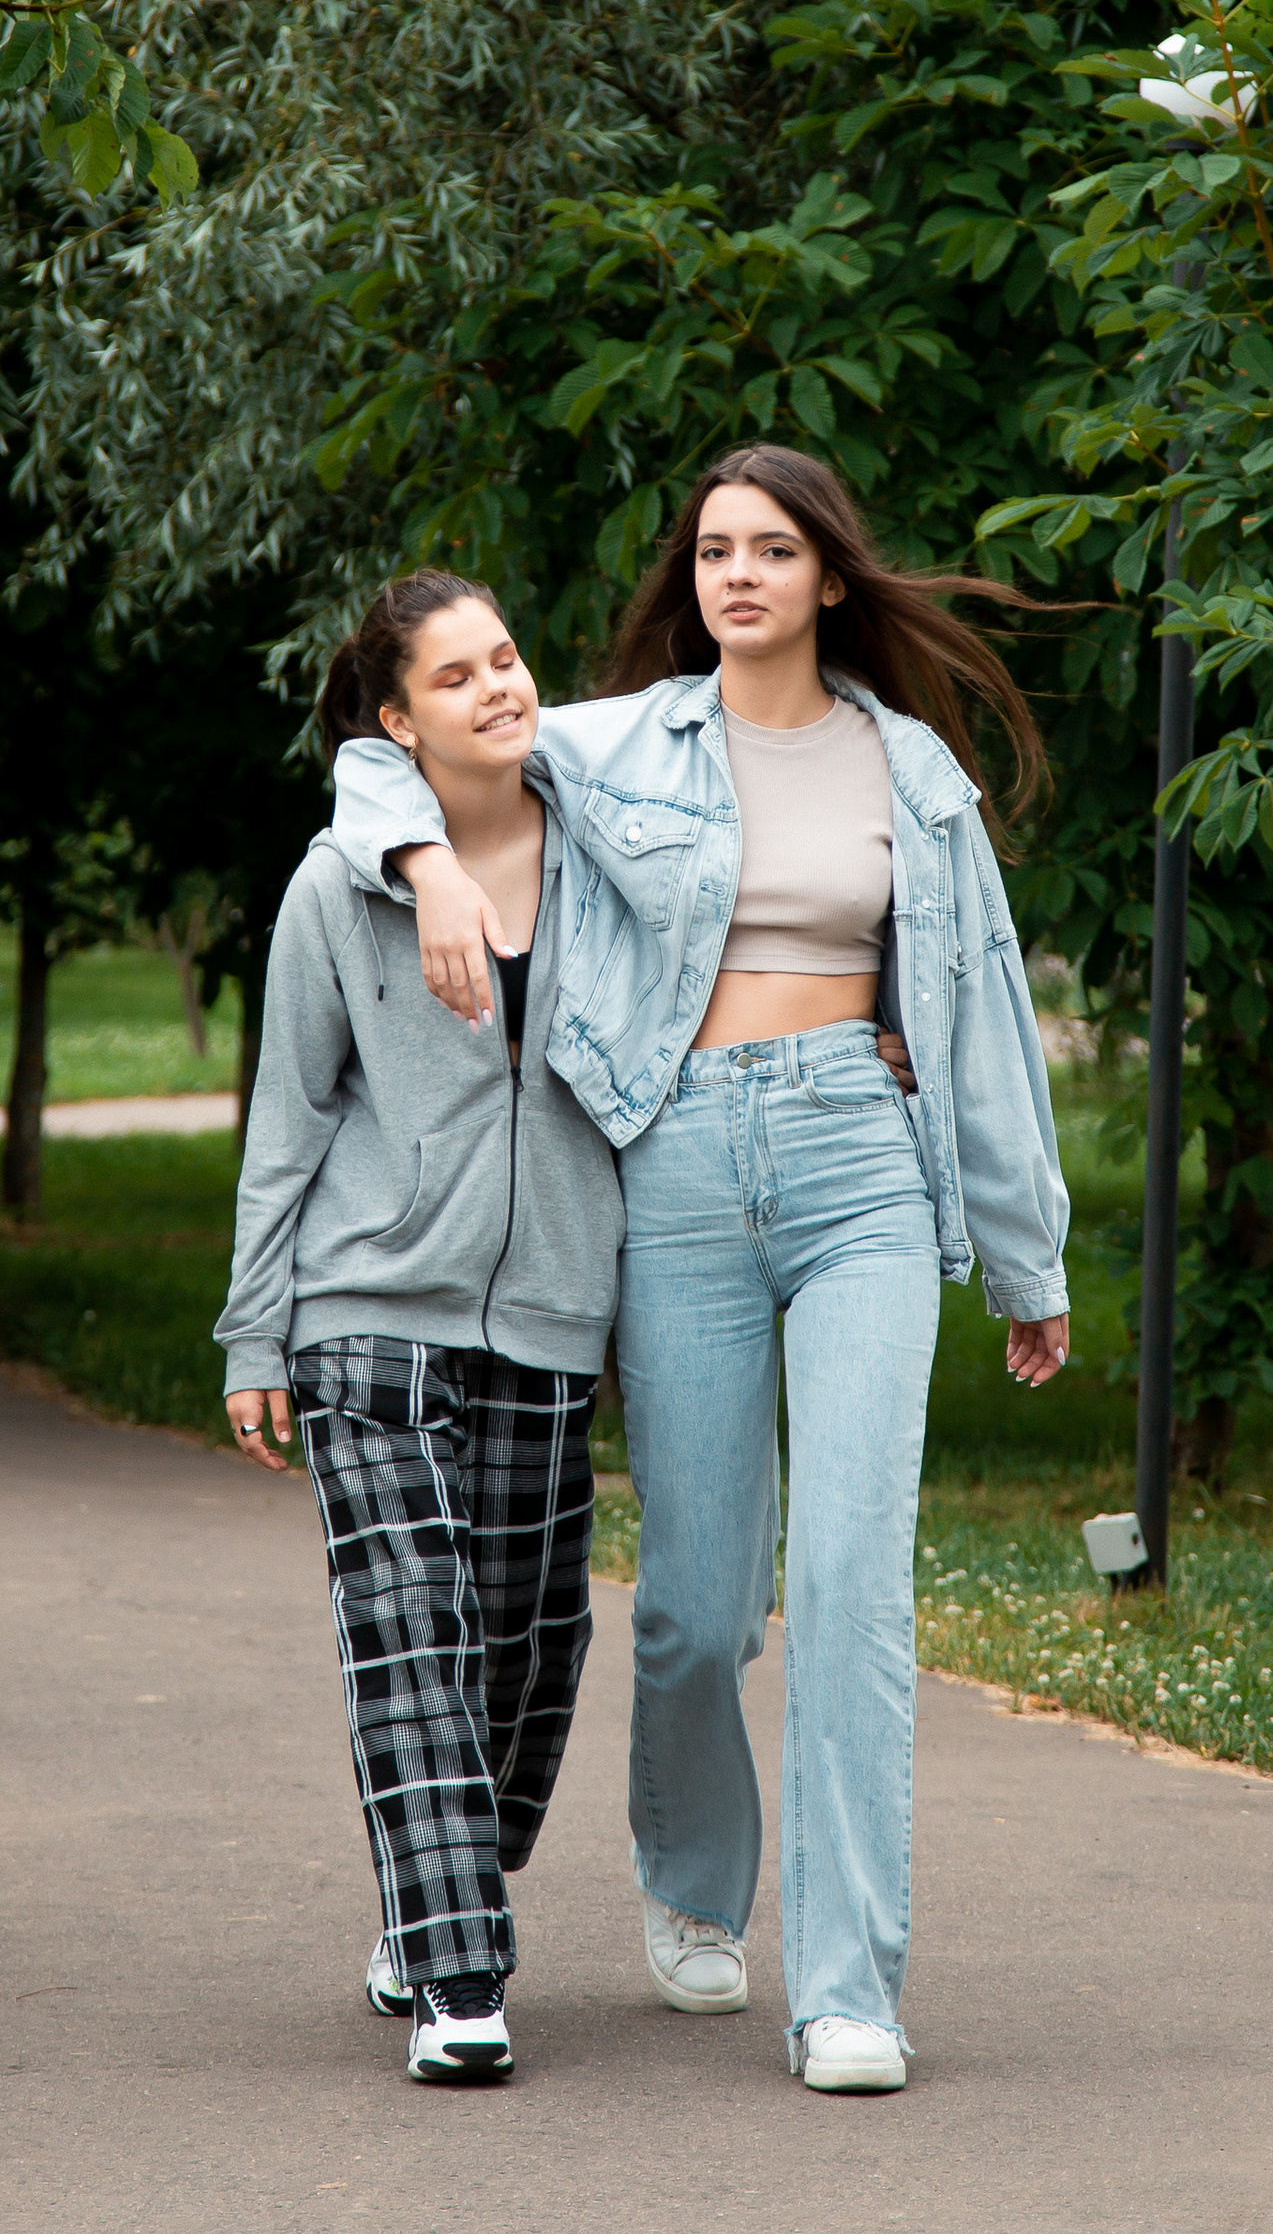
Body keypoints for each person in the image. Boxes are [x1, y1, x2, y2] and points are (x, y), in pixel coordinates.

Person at [330, 445, 1071, 2097]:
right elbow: (381, 765)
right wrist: (433, 866)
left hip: (859, 1165)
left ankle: (852, 1990)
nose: (740, 575)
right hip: (673, 1168)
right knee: (693, 1609)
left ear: (828, 577)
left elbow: (989, 1021)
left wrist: (1026, 1257)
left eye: (776, 550)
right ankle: (691, 1882)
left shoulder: (914, 774)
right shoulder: (613, 742)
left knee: (856, 1589)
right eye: (717, 550)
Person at [215, 569, 624, 2086]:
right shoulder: (341, 886)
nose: (499, 688)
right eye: (454, 678)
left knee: (529, 1648)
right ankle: (461, 1977)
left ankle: (432, 1874)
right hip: (369, 1308)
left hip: (550, 1313)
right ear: (396, 723)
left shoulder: (607, 852)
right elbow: (287, 1111)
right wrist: (257, 1331)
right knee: (411, 1637)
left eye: (509, 657)